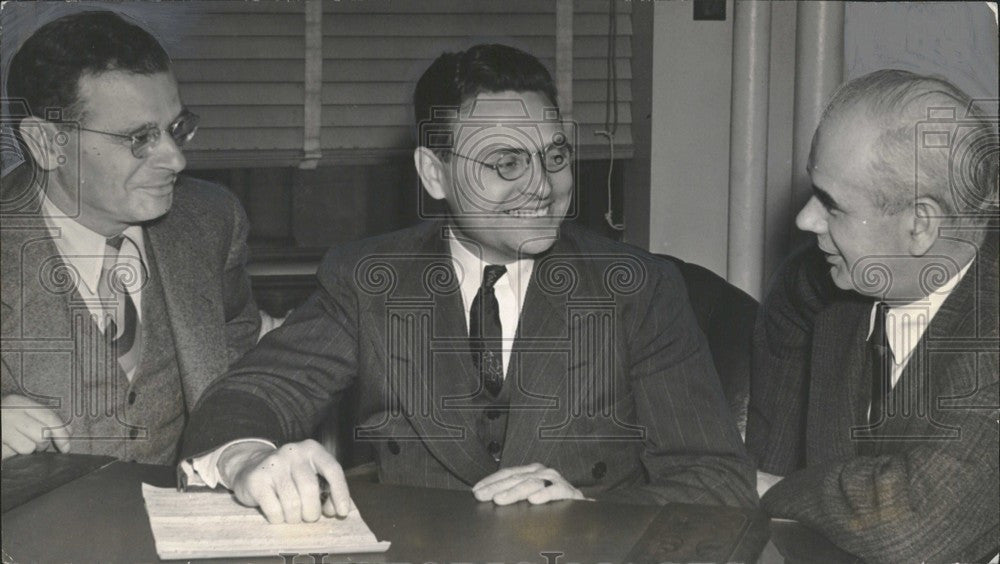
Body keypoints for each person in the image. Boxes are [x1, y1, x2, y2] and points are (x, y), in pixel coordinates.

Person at [179, 43, 756, 523]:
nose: (543, 185)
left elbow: (716, 480)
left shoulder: (640, 289)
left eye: (554, 155)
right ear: (436, 174)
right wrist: (249, 460)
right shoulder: (369, 281)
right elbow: (248, 395)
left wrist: (590, 513)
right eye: (505, 163)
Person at [747, 69, 999, 562]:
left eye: (832, 205)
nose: (804, 220)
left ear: (919, 225)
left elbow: (911, 526)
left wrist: (765, 486)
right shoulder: (815, 286)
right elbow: (762, 477)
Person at [0, 11, 260, 464]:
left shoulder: (211, 220)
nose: (176, 160)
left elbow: (238, 352)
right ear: (45, 142)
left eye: (176, 129)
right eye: (140, 137)